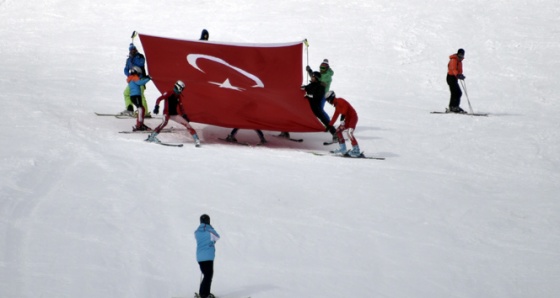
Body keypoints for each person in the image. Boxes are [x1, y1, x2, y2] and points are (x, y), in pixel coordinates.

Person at [279, 71, 337, 141]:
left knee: (324, 119)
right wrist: (299, 88)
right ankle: (285, 131)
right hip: (307, 106)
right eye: (312, 76)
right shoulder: (311, 84)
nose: (312, 78)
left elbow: (318, 97)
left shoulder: (320, 87)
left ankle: (335, 134)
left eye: (313, 77)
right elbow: (306, 87)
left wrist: (309, 96)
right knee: (291, 115)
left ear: (316, 78)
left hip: (315, 107)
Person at [146, 80, 201, 147]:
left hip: (174, 114)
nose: (182, 90)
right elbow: (159, 99)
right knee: (164, 123)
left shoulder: (178, 96)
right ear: (179, 87)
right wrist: (157, 106)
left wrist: (184, 115)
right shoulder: (169, 93)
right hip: (167, 113)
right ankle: (152, 137)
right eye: (182, 88)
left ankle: (196, 140)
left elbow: (181, 107)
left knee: (187, 124)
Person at [325, 91, 362, 157]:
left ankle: (356, 150)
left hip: (353, 118)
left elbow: (346, 107)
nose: (328, 102)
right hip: (347, 120)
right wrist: (329, 125)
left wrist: (343, 116)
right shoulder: (336, 106)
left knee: (349, 133)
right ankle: (343, 149)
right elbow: (335, 116)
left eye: (328, 100)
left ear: (331, 98)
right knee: (338, 131)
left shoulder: (340, 100)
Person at [195, 214, 220, 298]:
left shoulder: (197, 231)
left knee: (206, 274)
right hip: (208, 256)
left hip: (199, 256)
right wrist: (211, 228)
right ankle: (205, 294)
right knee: (208, 275)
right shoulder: (209, 230)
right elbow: (217, 237)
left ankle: (203, 293)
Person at [122, 43, 150, 117]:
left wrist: (133, 58)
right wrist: (129, 75)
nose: (132, 50)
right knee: (126, 93)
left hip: (141, 78)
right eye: (131, 49)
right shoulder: (129, 59)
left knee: (141, 95)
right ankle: (130, 108)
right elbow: (126, 69)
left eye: (133, 49)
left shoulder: (140, 56)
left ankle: (145, 112)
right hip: (133, 80)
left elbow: (141, 63)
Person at [306, 59, 334, 123]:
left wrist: (311, 74)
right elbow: (315, 78)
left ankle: (328, 123)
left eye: (323, 68)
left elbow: (318, 81)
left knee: (320, 109)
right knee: (316, 108)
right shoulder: (322, 73)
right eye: (320, 67)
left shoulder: (327, 76)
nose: (321, 69)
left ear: (327, 68)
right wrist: (310, 71)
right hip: (319, 93)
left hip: (323, 95)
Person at [127, 66, 152, 131]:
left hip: (136, 96)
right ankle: (139, 125)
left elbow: (139, 80)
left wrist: (145, 77)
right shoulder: (134, 78)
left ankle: (141, 123)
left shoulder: (132, 78)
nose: (139, 75)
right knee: (140, 109)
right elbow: (140, 82)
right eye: (138, 73)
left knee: (142, 109)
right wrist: (148, 78)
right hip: (135, 96)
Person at [447, 48, 466, 113]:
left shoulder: (459, 61)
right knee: (456, 93)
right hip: (451, 78)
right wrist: (458, 75)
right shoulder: (454, 60)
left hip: (454, 78)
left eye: (462, 55)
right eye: (460, 55)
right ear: (457, 54)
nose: (461, 57)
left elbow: (459, 70)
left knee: (457, 93)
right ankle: (453, 107)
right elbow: (453, 69)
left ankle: (454, 106)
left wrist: (461, 75)